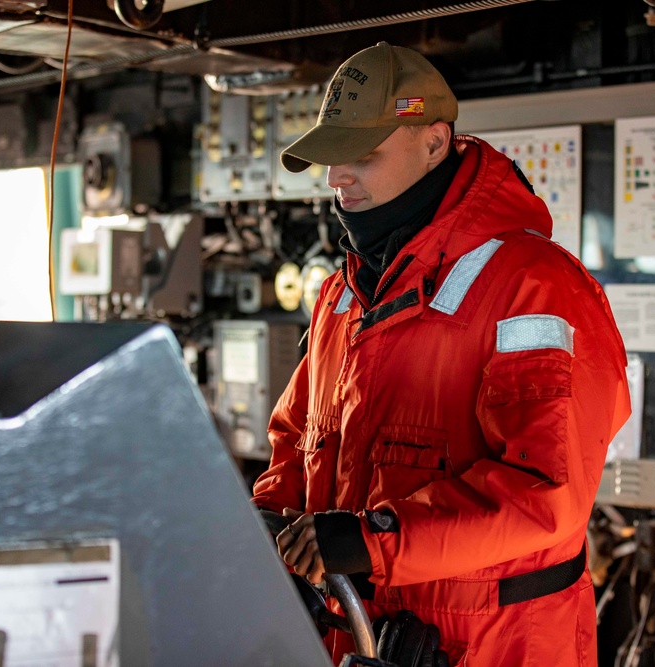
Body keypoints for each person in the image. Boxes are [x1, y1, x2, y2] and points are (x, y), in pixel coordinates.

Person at [252, 41, 631, 667]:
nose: (336, 177)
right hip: (360, 640)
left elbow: (543, 493)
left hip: (494, 647)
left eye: (361, 156)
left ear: (434, 141)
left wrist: (373, 542)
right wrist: (269, 531)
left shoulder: (534, 287)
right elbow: (296, 440)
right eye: (331, 159)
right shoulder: (343, 295)